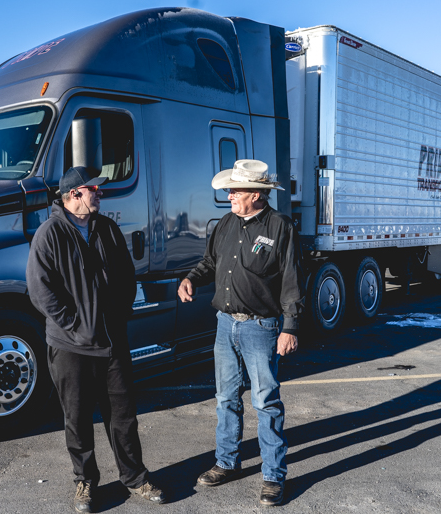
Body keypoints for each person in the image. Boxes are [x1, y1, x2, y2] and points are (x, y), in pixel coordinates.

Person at [27, 166, 166, 513]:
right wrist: (74, 324)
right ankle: (85, 482)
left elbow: (126, 274)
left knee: (123, 415)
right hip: (70, 345)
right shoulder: (50, 234)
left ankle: (134, 477)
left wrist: (120, 315)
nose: (99, 194)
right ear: (74, 194)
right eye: (94, 190)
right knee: (76, 418)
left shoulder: (106, 229)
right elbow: (40, 290)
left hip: (112, 341)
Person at [178, 159, 304, 507]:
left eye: (235, 190)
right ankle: (226, 462)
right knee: (225, 398)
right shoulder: (223, 225)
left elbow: (292, 282)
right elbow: (209, 263)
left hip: (261, 328)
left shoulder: (280, 227)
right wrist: (190, 277)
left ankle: (273, 476)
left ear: (257, 195)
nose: (229, 195)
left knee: (265, 402)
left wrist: (289, 328)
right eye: (230, 190)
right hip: (224, 325)